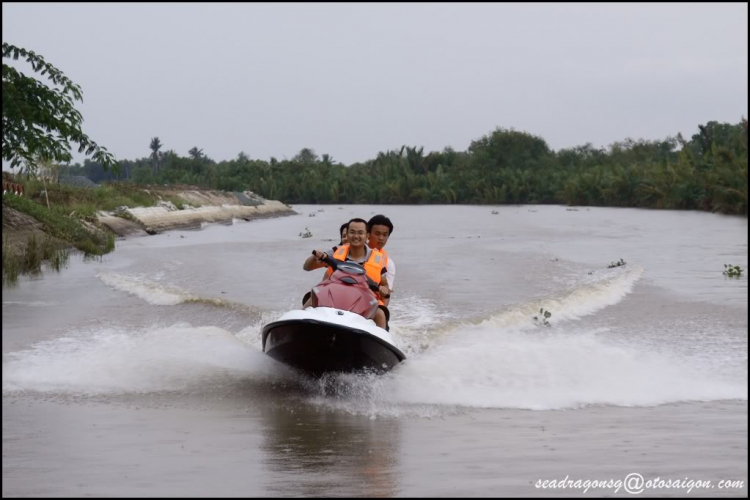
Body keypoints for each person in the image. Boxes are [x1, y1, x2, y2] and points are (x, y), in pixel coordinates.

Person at [303, 218, 390, 329]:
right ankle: (294, 329)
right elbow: (307, 267)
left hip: (365, 299)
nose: (356, 236)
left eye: (360, 233)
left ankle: (382, 340)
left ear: (367, 235)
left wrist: (384, 289)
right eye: (352, 232)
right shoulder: (335, 251)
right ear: (347, 234)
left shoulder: (378, 259)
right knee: (312, 298)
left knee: (380, 315)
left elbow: (384, 284)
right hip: (333, 294)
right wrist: (315, 257)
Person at [367, 215, 395, 307]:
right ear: (368, 234)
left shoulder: (388, 263)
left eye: (385, 235)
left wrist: (384, 311)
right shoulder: (353, 249)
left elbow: (386, 294)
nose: (381, 238)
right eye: (377, 234)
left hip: (369, 303)